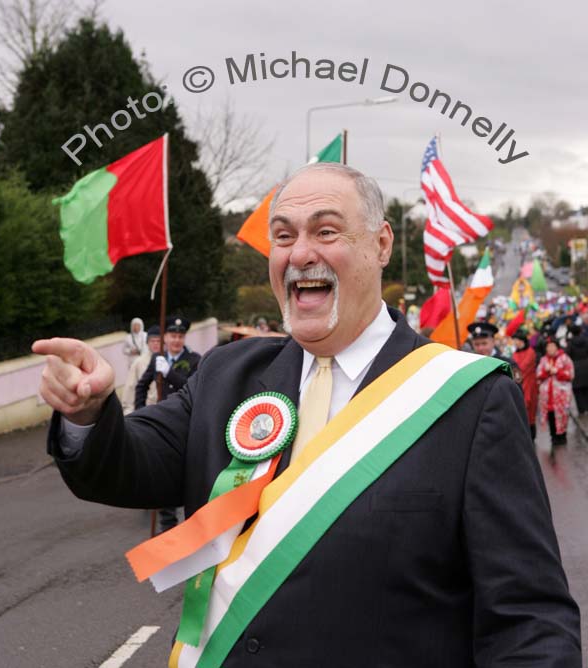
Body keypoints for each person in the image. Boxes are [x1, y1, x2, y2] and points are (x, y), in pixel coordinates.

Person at [32, 163, 581, 667]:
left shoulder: (469, 399)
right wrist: (88, 411)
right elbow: (127, 461)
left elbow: (529, 620)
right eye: (284, 236)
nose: (299, 254)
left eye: (325, 231)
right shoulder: (228, 374)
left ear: (382, 243)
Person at [135, 316, 201, 533]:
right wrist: (141, 412)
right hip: (163, 426)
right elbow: (141, 386)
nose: (176, 340)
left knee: (190, 476)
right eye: (173, 335)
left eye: (180, 336)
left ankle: (193, 529)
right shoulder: (158, 358)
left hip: (187, 426)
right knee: (164, 473)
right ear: (165, 337)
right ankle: (168, 531)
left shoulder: (194, 360)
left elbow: (194, 388)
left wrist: (169, 374)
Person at [537, 337, 574, 448]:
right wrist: (546, 371)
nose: (550, 348)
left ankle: (562, 436)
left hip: (561, 395)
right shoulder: (543, 360)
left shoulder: (565, 358)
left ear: (557, 346)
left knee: (562, 415)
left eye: (552, 346)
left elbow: (570, 375)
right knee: (551, 416)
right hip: (547, 396)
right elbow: (538, 376)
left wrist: (557, 371)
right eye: (548, 346)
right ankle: (553, 436)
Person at [121, 325, 161, 415]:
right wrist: (129, 411)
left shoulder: (169, 359)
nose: (155, 344)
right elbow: (130, 387)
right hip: (148, 408)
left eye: (158, 341)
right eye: (152, 341)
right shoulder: (138, 363)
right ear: (147, 343)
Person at [511, 329, 539, 440]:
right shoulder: (515, 354)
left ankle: (531, 436)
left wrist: (516, 369)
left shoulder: (531, 352)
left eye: (517, 340)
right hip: (519, 384)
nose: (515, 342)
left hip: (529, 385)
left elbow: (522, 367)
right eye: (515, 340)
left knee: (530, 410)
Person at [567, 324, 588, 416]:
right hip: (586, 365)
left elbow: (568, 355)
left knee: (578, 391)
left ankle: (582, 409)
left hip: (575, 367)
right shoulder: (586, 340)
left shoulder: (570, 343)